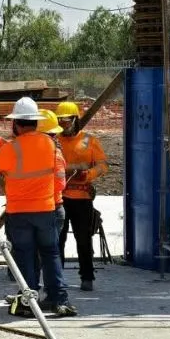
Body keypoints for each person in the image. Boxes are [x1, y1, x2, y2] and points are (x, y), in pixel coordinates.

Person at [0, 97, 76, 318]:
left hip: (19, 213)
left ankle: (29, 301)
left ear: (16, 123)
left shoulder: (14, 148)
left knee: (25, 256)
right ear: (35, 122)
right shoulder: (49, 144)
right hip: (47, 209)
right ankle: (60, 300)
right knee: (51, 254)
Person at [55, 101, 109, 292]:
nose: (64, 124)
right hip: (58, 197)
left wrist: (88, 175)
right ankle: (57, 279)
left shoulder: (89, 140)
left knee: (84, 239)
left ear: (75, 119)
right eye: (60, 120)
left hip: (82, 197)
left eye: (67, 120)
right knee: (57, 240)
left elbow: (102, 165)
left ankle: (87, 276)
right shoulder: (54, 141)